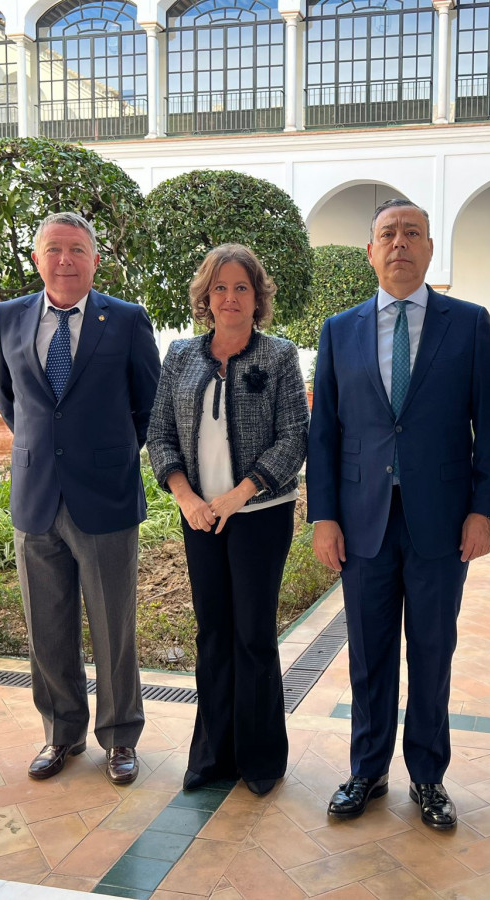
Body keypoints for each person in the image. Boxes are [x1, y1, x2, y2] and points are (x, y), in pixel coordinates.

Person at [307, 199, 490, 829]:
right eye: (388, 235)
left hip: (441, 522)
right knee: (368, 654)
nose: (400, 244)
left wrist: (484, 511)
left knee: (431, 650)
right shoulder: (339, 330)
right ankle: (367, 770)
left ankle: (428, 776)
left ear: (429, 250)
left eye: (412, 234)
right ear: (370, 252)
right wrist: (324, 517)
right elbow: (325, 433)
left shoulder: (469, 324)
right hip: (363, 519)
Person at [0, 211, 161, 785]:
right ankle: (60, 733)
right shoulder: (7, 317)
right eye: (54, 249)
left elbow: (147, 405)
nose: (65, 260)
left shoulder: (129, 320)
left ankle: (119, 739)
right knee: (47, 624)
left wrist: (105, 455)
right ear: (37, 259)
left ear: (94, 259)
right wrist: (48, 453)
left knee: (114, 625)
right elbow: (10, 402)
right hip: (36, 495)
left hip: (106, 497)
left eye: (77, 250)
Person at [148, 244, 308, 797]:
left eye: (242, 287)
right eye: (220, 287)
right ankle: (212, 755)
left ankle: (261, 759)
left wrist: (241, 493)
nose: (231, 297)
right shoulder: (180, 356)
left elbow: (294, 437)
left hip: (260, 516)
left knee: (254, 635)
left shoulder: (280, 356)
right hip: (199, 519)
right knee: (213, 632)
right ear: (206, 297)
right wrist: (187, 497)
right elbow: (159, 434)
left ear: (257, 297)